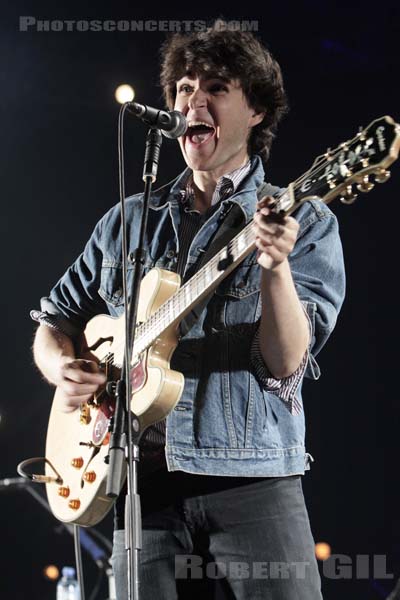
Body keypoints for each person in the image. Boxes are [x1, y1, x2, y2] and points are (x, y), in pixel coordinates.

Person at [32, 22, 345, 600]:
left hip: (253, 481)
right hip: (138, 487)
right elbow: (55, 319)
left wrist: (274, 265)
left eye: (216, 87)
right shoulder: (127, 220)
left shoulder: (307, 223)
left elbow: (286, 362)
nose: (191, 101)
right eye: (182, 88)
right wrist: (62, 370)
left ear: (255, 111)